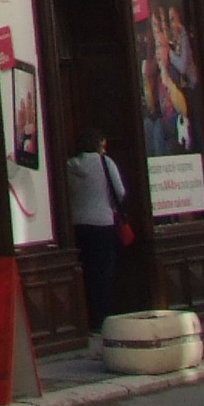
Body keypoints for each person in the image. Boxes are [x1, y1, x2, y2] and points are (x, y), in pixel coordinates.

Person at [63, 132, 129, 330]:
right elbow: (120, 191)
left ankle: (81, 317)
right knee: (102, 273)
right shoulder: (105, 163)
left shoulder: (69, 165)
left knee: (83, 271)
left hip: (77, 224)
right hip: (102, 223)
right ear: (97, 145)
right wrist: (110, 206)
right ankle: (99, 319)